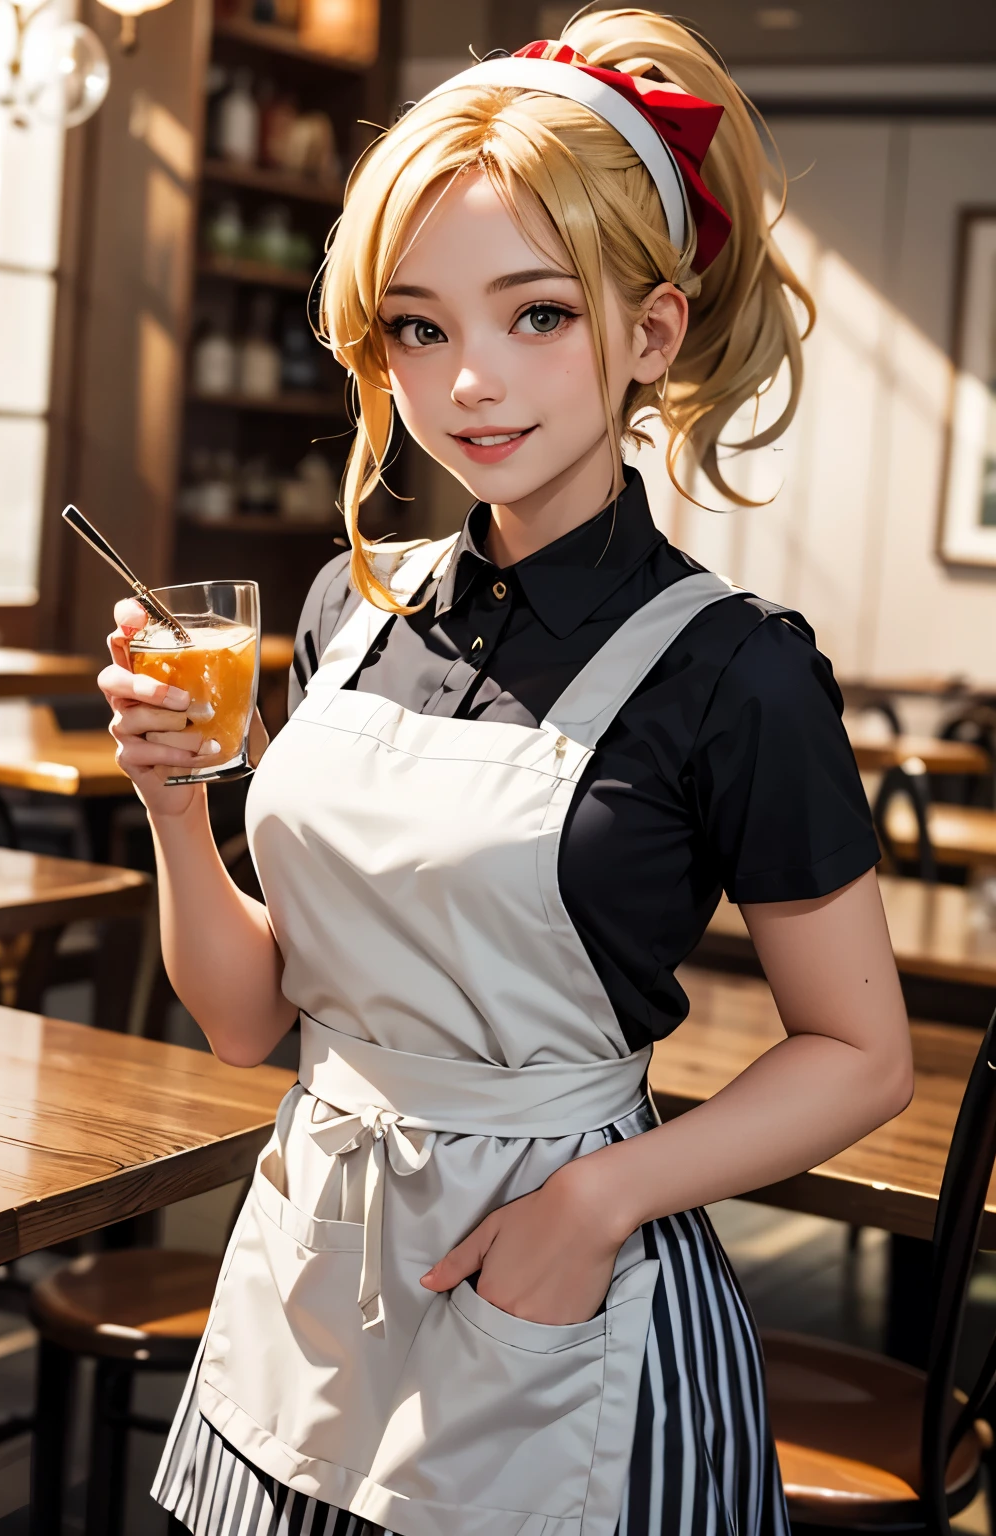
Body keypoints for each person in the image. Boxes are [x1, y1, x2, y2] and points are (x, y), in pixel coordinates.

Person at [100, 9, 913, 1535]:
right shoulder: (350, 608)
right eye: (419, 327)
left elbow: (862, 1056)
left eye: (535, 314)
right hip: (312, 1277)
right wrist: (173, 803)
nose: (469, 380)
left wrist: (595, 1201)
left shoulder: (734, 669)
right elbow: (246, 1019)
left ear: (652, 333)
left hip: (565, 1301)